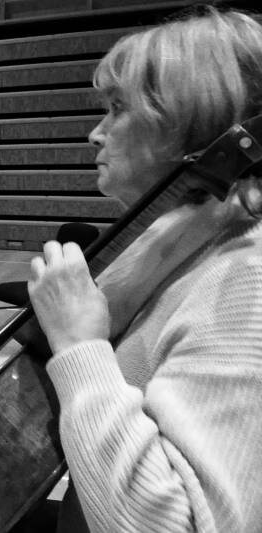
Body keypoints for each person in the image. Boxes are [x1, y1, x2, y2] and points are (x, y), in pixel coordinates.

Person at [22, 6, 262, 532]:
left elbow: (186, 524)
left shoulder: (247, 281)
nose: (95, 133)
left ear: (190, 123)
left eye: (116, 108)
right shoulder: (192, 247)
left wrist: (79, 345)